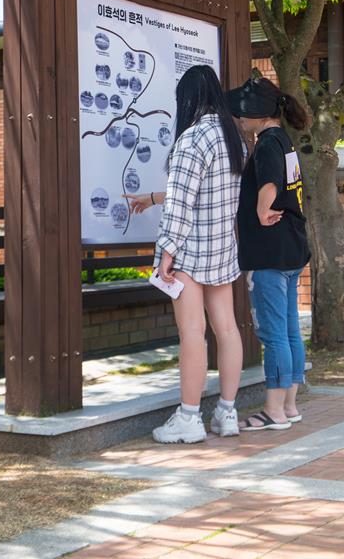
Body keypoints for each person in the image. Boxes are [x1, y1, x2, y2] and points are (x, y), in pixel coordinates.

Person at [126, 64, 245, 444]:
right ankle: (227, 413)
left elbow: (180, 204)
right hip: (223, 248)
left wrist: (165, 255)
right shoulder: (233, 138)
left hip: (190, 252)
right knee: (227, 329)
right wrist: (152, 198)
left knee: (192, 333)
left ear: (187, 98)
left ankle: (190, 418)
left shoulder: (192, 138)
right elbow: (212, 193)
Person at [225, 76, 311, 431]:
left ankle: (274, 410)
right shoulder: (284, 140)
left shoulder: (267, 144)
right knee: (289, 329)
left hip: (269, 254)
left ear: (255, 113)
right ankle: (288, 405)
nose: (239, 119)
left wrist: (262, 210)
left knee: (274, 332)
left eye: (241, 114)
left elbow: (271, 183)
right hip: (290, 249)